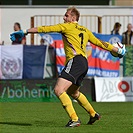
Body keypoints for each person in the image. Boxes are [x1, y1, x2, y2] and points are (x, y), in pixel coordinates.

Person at [10, 7, 126, 127]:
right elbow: (100, 43)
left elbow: (45, 29)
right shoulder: (85, 30)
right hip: (84, 63)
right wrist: (117, 50)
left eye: (66, 15)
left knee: (59, 90)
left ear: (73, 18)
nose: (64, 18)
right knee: (74, 92)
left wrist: (25, 31)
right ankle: (93, 114)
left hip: (75, 61)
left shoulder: (67, 26)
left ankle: (74, 118)